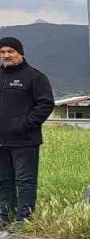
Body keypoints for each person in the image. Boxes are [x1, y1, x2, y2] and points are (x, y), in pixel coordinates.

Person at [0, 37, 54, 226]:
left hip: (25, 141)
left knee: (24, 181)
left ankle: (25, 219)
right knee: (4, 181)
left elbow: (46, 104)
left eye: (10, 51)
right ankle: (5, 217)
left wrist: (24, 124)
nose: (6, 55)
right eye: (2, 52)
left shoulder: (34, 77)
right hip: (2, 142)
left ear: (20, 53)